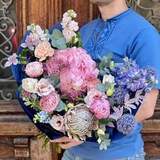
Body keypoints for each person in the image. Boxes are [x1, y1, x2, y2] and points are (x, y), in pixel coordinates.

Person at [51, 0, 160, 160]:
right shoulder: (85, 31)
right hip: (72, 154)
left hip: (118, 155)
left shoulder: (144, 34)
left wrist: (84, 133)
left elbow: (146, 108)